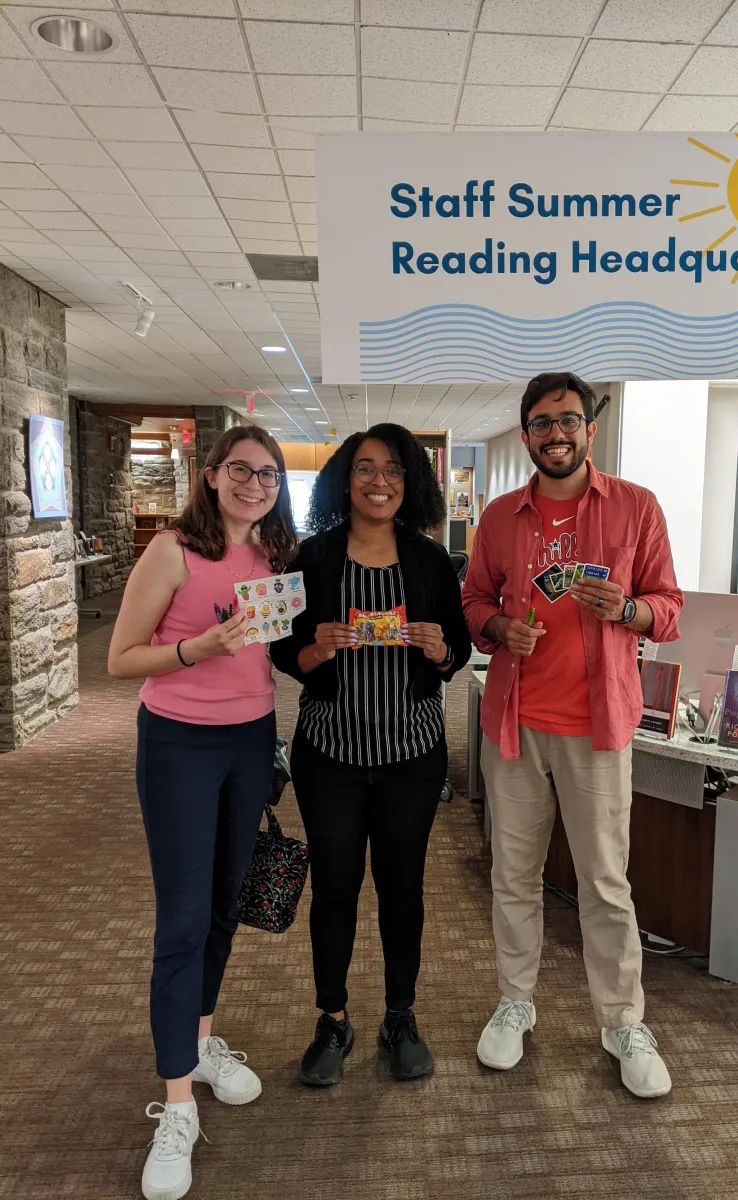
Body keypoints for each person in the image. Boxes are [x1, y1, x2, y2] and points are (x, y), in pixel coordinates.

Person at [462, 372, 683, 1099]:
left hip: (599, 726)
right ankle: (514, 1002)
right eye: (540, 423)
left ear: (589, 427)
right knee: (513, 876)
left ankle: (622, 1021)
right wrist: (497, 627)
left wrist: (629, 609)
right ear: (526, 433)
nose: (555, 434)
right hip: (515, 724)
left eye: (567, 420)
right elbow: (474, 598)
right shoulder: (499, 518)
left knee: (605, 884)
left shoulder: (635, 508)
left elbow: (669, 606)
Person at [108, 425, 297, 1200]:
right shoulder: (173, 553)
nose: (257, 484)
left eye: (271, 474)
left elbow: (270, 651)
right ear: (212, 475)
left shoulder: (273, 557)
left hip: (250, 741)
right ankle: (177, 1104)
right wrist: (198, 649)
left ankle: (201, 1040)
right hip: (179, 745)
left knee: (225, 907)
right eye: (243, 471)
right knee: (183, 919)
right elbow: (121, 658)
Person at [270, 423, 471, 1086]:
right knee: (334, 888)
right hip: (330, 755)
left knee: (403, 889)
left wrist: (439, 649)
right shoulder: (313, 557)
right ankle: (332, 1019)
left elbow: (459, 651)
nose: (378, 481)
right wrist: (315, 650)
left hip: (412, 756)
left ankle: (400, 1014)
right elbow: (280, 652)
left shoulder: (430, 559)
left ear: (410, 482)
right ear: (343, 479)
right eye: (364, 468)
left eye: (393, 469)